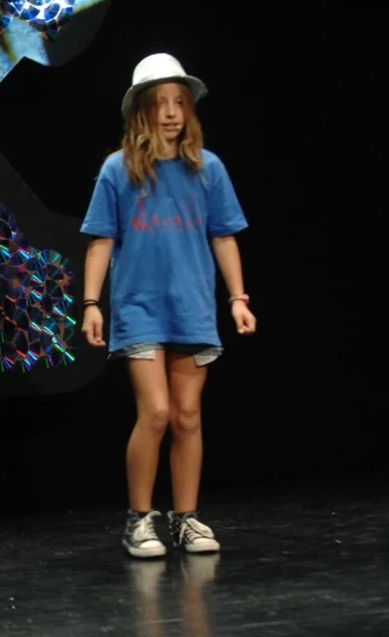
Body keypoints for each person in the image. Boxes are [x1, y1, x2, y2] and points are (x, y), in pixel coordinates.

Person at [79, 53, 256, 559]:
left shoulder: (208, 168)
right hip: (139, 306)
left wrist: (238, 299)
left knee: (187, 416)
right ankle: (139, 519)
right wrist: (91, 303)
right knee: (155, 411)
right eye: (161, 103)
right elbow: (101, 240)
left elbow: (223, 236)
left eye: (179, 102)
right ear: (142, 111)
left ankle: (187, 518)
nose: (172, 112)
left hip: (191, 305)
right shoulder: (117, 169)